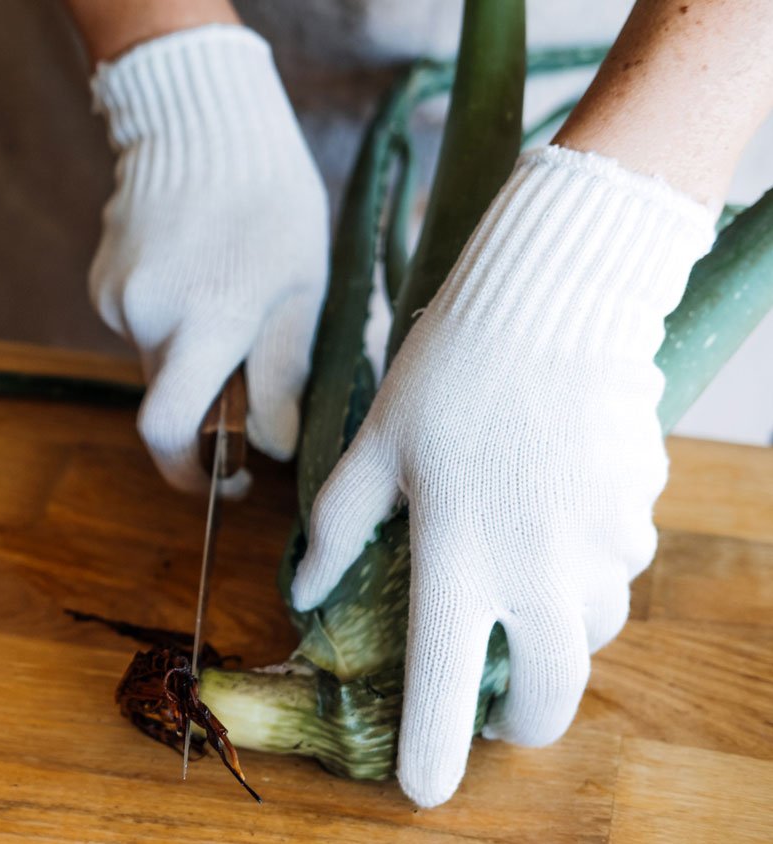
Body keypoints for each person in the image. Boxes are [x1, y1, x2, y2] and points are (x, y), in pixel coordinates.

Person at [41, 0, 773, 809]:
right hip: (158, 113)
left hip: (686, 84)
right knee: (140, 339)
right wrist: (166, 70)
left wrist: (607, 240)